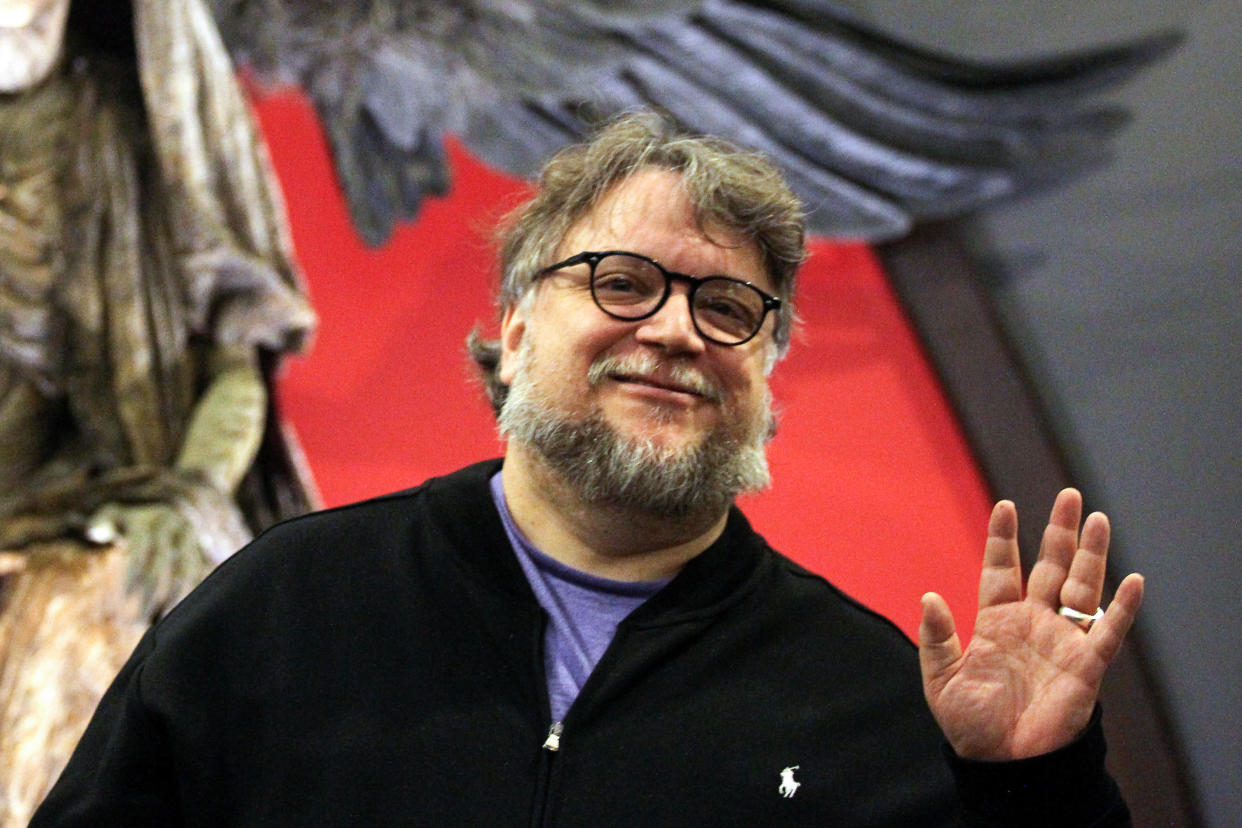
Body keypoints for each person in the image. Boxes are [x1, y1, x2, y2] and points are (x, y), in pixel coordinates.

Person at [31, 112, 1144, 826]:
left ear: (767, 367)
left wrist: (1028, 790)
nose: (675, 331)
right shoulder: (284, 608)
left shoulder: (870, 700)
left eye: (727, 306)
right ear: (513, 329)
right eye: (621, 281)